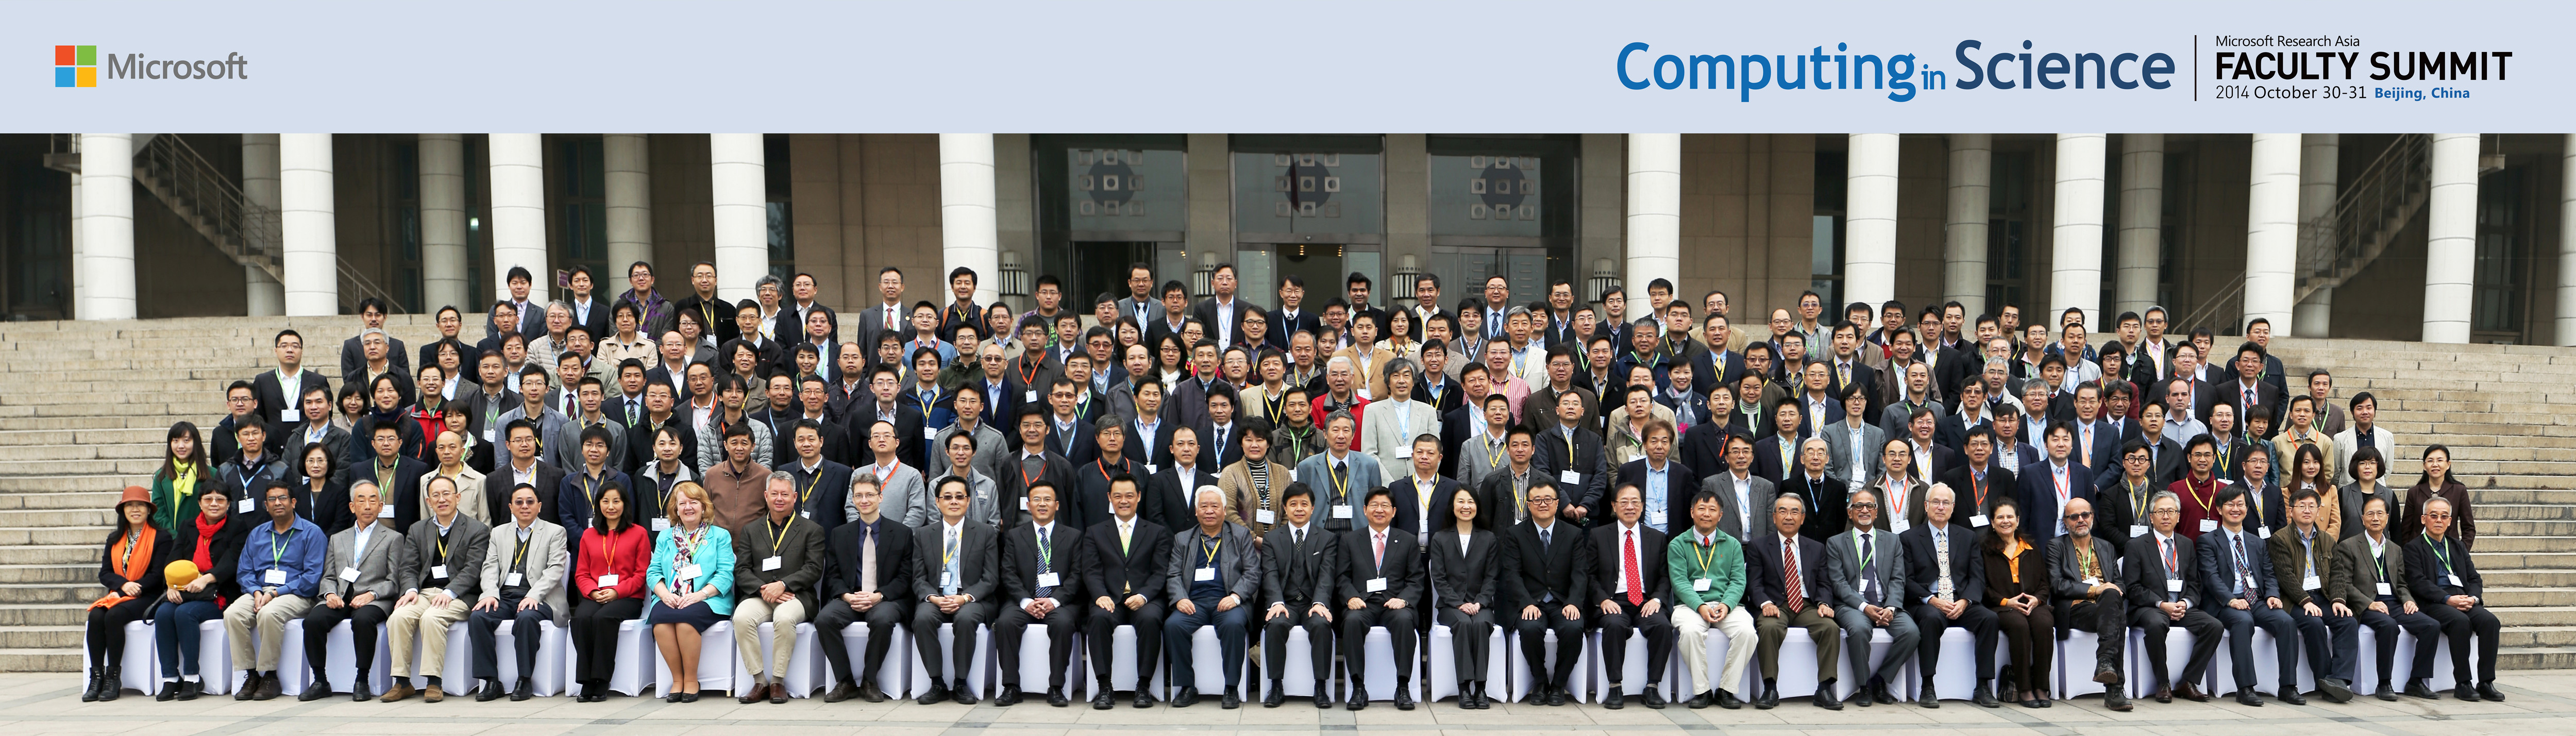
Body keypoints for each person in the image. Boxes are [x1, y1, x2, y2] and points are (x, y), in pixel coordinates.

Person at [292, 480, 399, 701]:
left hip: (373, 599)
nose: (367, 506)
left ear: (381, 506)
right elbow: (329, 576)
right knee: (313, 621)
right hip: (341, 596)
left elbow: (393, 581)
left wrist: (372, 594)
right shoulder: (338, 538)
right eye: (361, 500)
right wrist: (330, 594)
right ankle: (320, 681)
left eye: (373, 501)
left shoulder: (394, 538)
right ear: (352, 507)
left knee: (363, 621)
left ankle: (362, 680)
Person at [2197, 485, 2302, 706]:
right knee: (2243, 622)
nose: (2236, 509)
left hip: (2257, 600)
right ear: (2219, 509)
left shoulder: (2257, 542)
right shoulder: (2208, 541)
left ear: (2247, 509)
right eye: (2230, 505)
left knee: (2286, 622)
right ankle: (2245, 688)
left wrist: (2273, 595)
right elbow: (2211, 578)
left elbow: (2269, 573)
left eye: (2241, 505)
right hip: (2226, 602)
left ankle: (2288, 687)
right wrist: (2231, 600)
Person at [727, 472, 826, 704]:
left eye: (784, 494)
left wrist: (783, 585)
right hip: (760, 595)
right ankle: (760, 681)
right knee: (741, 618)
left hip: (796, 596)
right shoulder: (751, 530)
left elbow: (814, 569)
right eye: (774, 494)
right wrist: (763, 589)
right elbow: (742, 570)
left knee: (784, 618)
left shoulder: (812, 530)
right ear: (766, 496)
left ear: (795, 497)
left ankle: (778, 682)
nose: (779, 499)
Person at [2332, 494, 2443, 701]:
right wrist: (2369, 604)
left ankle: (2416, 681)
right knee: (2388, 626)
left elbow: (2401, 583)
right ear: (2363, 519)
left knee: (2431, 626)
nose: (2375, 518)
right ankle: (2384, 683)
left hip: (2394, 602)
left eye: (2380, 514)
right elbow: (2345, 584)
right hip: (2367, 605)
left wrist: (2408, 599)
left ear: (2387, 518)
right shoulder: (2348, 546)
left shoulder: (2395, 549)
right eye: (2370, 514)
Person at [1897, 482, 1998, 708]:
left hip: (1960, 600)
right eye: (1936, 502)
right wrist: (1932, 600)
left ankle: (1983, 686)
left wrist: (1965, 601)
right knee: (1931, 619)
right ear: (1926, 506)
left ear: (1953, 508)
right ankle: (1928, 686)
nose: (1941, 507)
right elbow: (1906, 580)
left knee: (1989, 619)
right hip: (1928, 601)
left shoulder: (1968, 537)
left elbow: (1977, 577)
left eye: (1946, 503)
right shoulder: (1909, 538)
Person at [465, 483, 568, 701]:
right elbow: (490, 567)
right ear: (511, 507)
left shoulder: (555, 532)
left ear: (539, 506)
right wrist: (490, 593)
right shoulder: (499, 533)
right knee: (478, 617)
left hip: (541, 597)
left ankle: (524, 680)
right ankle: (491, 681)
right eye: (519, 502)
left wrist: (533, 596)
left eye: (530, 502)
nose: (525, 506)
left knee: (527, 617)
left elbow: (555, 570)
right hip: (505, 596)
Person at [1161, 487, 1260, 709]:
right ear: (1196, 511)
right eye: (1204, 506)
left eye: (1215, 506)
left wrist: (1236, 597)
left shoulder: (1240, 535)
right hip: (1193, 602)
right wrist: (1180, 598)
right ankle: (1187, 687)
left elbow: (1253, 572)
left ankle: (1231, 688)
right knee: (1173, 626)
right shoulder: (1183, 539)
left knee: (1234, 625)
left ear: (1224, 510)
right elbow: (1173, 574)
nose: (1209, 511)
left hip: (1228, 601)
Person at [2120, 491, 2225, 704]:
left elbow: (2194, 583)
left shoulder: (2186, 544)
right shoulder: (2136, 546)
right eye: (2160, 512)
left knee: (2214, 626)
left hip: (2181, 606)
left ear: (2178, 516)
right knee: (2156, 624)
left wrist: (2185, 603)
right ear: (2151, 517)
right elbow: (2132, 588)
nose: (2166, 516)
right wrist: (2162, 604)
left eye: (2171, 511)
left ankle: (2188, 682)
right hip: (2151, 607)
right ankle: (2163, 683)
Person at [151, 482, 251, 701]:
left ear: (228, 504)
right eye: (208, 499)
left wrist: (206, 579)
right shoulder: (188, 526)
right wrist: (171, 585)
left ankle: (192, 677)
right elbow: (174, 558)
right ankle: (170, 678)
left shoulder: (237, 527)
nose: (214, 504)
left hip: (218, 593)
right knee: (163, 614)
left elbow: (233, 561)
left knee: (184, 613)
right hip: (185, 590)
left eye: (220, 500)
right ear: (200, 503)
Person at [225, 481, 325, 701]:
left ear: (293, 502)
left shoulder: (312, 533)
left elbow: (312, 578)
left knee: (269, 613)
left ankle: (270, 675)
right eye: (272, 499)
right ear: (266, 506)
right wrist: (256, 592)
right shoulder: (257, 534)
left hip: (296, 593)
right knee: (232, 614)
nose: (278, 503)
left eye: (282, 498)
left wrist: (275, 594)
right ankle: (251, 675)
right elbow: (245, 571)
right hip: (259, 591)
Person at [1080, 473, 1172, 709]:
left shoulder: (1156, 532)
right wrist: (1100, 595)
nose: (1124, 501)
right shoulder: (1095, 532)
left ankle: (1143, 686)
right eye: (1118, 496)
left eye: (1129, 496)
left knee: (1150, 619)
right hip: (1109, 597)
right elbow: (1091, 570)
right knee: (1098, 619)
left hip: (1145, 597)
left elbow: (1160, 572)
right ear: (1109, 498)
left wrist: (1144, 596)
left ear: (1139, 497)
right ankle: (1104, 687)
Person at [990, 480, 1085, 707]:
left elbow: (1077, 575)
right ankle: (1011, 687)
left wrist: (1055, 601)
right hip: (1023, 601)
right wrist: (1026, 601)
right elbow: (1008, 573)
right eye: (1037, 500)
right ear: (1028, 505)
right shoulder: (1014, 535)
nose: (1042, 504)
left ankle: (1056, 688)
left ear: (1057, 505)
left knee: (1063, 624)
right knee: (1005, 623)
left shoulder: (1073, 536)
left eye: (1048, 500)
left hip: (1059, 601)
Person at [1825, 484, 1919, 706]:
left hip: (1886, 603)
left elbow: (1898, 579)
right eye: (1859, 506)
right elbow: (1838, 583)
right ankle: (1864, 686)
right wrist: (1864, 607)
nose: (1865, 510)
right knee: (1859, 630)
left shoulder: (1892, 540)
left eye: (1870, 506)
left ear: (1877, 512)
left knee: (1911, 633)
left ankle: (1881, 680)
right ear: (1850, 513)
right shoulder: (1836, 543)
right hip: (1853, 605)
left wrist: (1892, 607)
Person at [910, 475, 999, 705]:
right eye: (947, 497)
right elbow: (918, 578)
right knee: (922, 619)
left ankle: (961, 683)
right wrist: (934, 598)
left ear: (968, 501)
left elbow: (990, 578)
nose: (954, 501)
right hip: (936, 596)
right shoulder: (923, 534)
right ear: (937, 502)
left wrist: (964, 598)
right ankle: (937, 683)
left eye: (960, 497)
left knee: (966, 619)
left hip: (971, 598)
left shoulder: (985, 532)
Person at [1747, 492, 1840, 710]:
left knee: (1830, 628)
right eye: (1783, 511)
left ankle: (1824, 689)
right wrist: (1765, 604)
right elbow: (1754, 583)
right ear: (1774, 517)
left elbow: (1824, 583)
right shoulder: (1759, 546)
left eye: (1794, 512)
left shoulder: (1816, 548)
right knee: (1768, 628)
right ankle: (1770, 688)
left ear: (1803, 518)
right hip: (1775, 605)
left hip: (1806, 604)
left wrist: (1824, 604)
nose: (1788, 517)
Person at [1669, 490, 1760, 710]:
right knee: (1690, 632)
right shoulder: (1678, 544)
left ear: (1721, 515)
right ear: (1692, 512)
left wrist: (1726, 605)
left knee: (1748, 633)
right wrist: (1700, 606)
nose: (1706, 514)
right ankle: (1702, 691)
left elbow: (1738, 581)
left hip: (1726, 605)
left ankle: (1726, 689)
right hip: (1690, 606)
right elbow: (1679, 582)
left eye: (1712, 510)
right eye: (1701, 509)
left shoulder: (1732, 544)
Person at [1587, 483, 1676, 708]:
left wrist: (1657, 599)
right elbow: (1589, 575)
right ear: (1613, 506)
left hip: (1646, 601)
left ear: (1643, 506)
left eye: (1635, 502)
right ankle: (1615, 686)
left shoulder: (1657, 538)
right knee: (1614, 625)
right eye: (1624, 502)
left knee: (1663, 626)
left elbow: (1665, 576)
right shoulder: (1599, 535)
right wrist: (1603, 599)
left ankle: (1652, 686)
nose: (1630, 507)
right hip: (1613, 600)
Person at [2406, 496, 2503, 701]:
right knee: (2460, 622)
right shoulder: (2413, 548)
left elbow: (2474, 578)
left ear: (2450, 521)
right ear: (2424, 519)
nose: (2439, 520)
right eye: (2434, 516)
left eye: (2444, 517)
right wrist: (2447, 599)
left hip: (2464, 598)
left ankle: (2486, 682)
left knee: (2490, 622)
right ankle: (2463, 683)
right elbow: (2418, 582)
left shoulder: (2457, 546)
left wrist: (2473, 599)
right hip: (2435, 602)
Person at [647, 481, 735, 702]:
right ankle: (677, 680)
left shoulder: (720, 536)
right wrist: (665, 594)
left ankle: (691, 680)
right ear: (675, 509)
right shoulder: (665, 537)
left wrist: (700, 595)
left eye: (694, 502)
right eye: (682, 503)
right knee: (661, 623)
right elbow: (653, 572)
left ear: (704, 507)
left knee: (686, 622)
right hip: (671, 596)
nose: (688, 507)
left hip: (709, 598)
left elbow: (725, 574)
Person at [1255, 482, 1339, 708]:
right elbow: (1269, 574)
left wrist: (1320, 603)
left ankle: (1320, 687)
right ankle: (1276, 686)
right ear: (1285, 508)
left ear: (1313, 508)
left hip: (1313, 603)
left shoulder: (1327, 538)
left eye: (1304, 504)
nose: (1299, 509)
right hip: (1286, 603)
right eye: (1293, 504)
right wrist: (1276, 602)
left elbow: (1327, 576)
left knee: (1321, 625)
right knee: (1275, 624)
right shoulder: (1272, 539)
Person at [82, 487, 170, 702]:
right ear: (123, 511)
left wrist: (135, 587)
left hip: (148, 596)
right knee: (96, 616)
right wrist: (124, 585)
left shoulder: (162, 537)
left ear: (149, 510)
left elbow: (159, 575)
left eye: (140, 505)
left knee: (114, 616)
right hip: (121, 593)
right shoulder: (114, 539)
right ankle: (96, 678)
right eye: (130, 505)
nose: (135, 509)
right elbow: (105, 573)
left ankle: (113, 678)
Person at [1336, 487, 1420, 710]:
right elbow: (1342, 577)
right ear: (1365, 510)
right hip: (1363, 603)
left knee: (1405, 621)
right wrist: (1350, 597)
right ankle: (1358, 688)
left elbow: (1416, 579)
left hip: (1395, 604)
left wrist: (1403, 600)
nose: (1379, 510)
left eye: (1385, 506)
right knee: (1352, 622)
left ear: (1394, 511)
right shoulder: (1350, 540)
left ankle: (1403, 687)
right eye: (1374, 505)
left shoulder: (1407, 540)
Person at [2275, 488, 2360, 702]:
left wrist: (2339, 599)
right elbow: (2285, 577)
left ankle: (2338, 679)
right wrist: (2305, 601)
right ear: (2291, 511)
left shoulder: (2327, 540)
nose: (2307, 510)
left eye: (2312, 506)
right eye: (2302, 506)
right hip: (2294, 599)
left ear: (2318, 511)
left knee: (2348, 621)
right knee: (2314, 623)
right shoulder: (2280, 539)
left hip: (2322, 596)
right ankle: (2324, 680)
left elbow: (2338, 573)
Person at [2048, 497, 2131, 711]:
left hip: (2106, 606)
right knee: (2117, 615)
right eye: (2074, 517)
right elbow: (2057, 585)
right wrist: (2095, 590)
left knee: (2112, 600)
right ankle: (2114, 690)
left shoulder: (2106, 547)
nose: (2080, 520)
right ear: (2065, 522)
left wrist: (2110, 590)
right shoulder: (2056, 547)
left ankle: (2105, 662)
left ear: (2092, 517)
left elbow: (2120, 584)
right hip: (2075, 608)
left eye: (2085, 515)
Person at [1973, 497, 2051, 708]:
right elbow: (1981, 586)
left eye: (2010, 517)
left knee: (2044, 624)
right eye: (2000, 517)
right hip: (2001, 605)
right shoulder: (1984, 549)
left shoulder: (2031, 547)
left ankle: (2042, 687)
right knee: (2019, 625)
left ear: (2018, 520)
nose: (2005, 521)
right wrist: (2006, 602)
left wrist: (2037, 599)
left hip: (2032, 603)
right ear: (1992, 522)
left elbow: (2044, 582)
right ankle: (2024, 688)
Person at [1427, 487, 1500, 709]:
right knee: (1463, 623)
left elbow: (1492, 577)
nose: (1466, 507)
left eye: (1471, 502)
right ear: (1453, 507)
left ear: (1477, 507)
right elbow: (1439, 578)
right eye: (1460, 502)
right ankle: (1464, 687)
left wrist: (1479, 602)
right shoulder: (1440, 538)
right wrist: (1459, 603)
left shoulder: (1488, 538)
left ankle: (1481, 688)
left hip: (1481, 605)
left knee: (1481, 624)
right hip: (1450, 606)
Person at [2400, 445, 2474, 549]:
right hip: (2419, 550)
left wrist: (2461, 552)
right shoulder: (2414, 492)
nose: (2435, 465)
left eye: (2440, 460)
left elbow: (2469, 527)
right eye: (2430, 461)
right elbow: (2406, 528)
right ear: (2424, 466)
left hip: (2449, 550)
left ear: (2448, 464)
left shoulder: (2459, 491)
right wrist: (2409, 551)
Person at [149, 423, 217, 535]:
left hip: (203, 537)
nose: (181, 446)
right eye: (176, 441)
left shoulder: (211, 474)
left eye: (186, 440)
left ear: (195, 443)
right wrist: (174, 537)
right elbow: (158, 512)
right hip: (171, 540)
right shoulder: (161, 476)